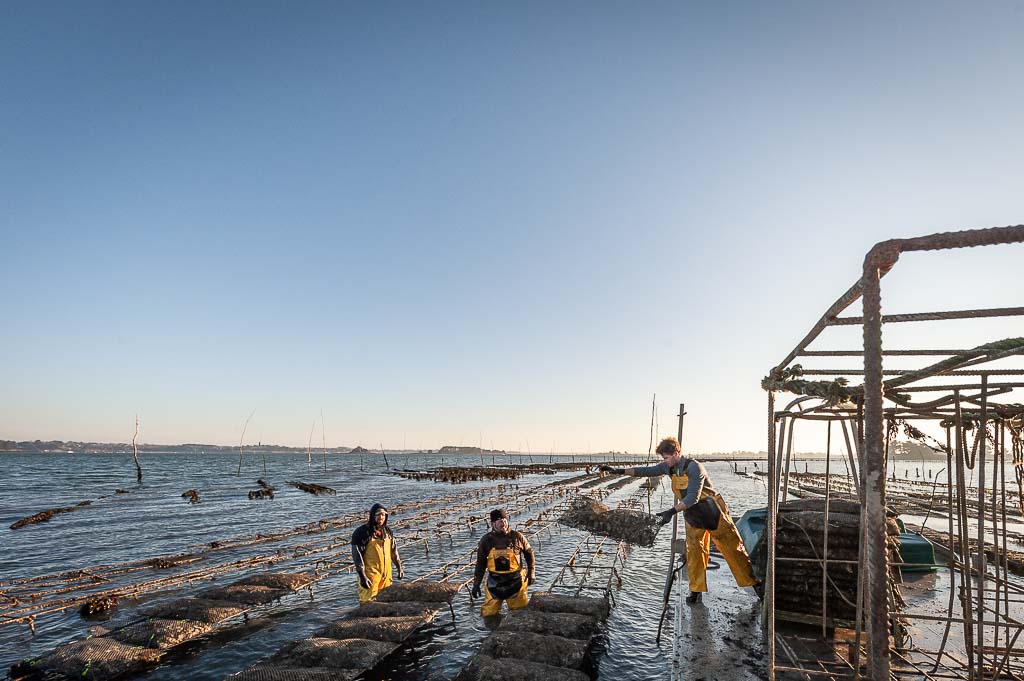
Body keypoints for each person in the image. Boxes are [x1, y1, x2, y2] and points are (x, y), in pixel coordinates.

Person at [601, 437, 759, 604]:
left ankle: (754, 584)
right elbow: (645, 471)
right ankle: (696, 590)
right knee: (695, 552)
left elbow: (693, 497)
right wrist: (617, 471)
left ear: (677, 453)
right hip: (692, 515)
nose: (665, 461)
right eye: (663, 458)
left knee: (732, 549)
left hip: (712, 511)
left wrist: (670, 512)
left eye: (667, 457)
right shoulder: (669, 467)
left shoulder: (694, 467)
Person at [471, 509, 536, 617]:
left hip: (516, 581)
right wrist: (476, 584)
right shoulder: (486, 540)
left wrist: (531, 572)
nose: (503, 523)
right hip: (494, 583)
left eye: (505, 520)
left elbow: (529, 553)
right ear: (493, 524)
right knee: (488, 614)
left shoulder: (517, 536)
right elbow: (481, 564)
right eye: (500, 521)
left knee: (519, 614)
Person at [351, 503, 404, 603]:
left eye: (384, 515)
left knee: (387, 600)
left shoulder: (387, 531)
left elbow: (394, 551)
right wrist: (363, 577)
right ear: (372, 516)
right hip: (371, 575)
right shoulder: (362, 533)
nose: (381, 517)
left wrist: (399, 568)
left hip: (386, 575)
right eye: (378, 514)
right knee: (368, 601)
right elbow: (357, 556)